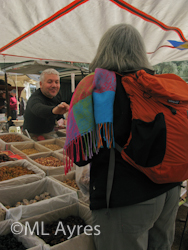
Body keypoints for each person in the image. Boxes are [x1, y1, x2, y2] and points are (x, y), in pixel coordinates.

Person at [64, 24, 181, 250]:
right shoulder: (157, 85)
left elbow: (79, 155)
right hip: (170, 191)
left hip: (126, 198)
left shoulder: (93, 87)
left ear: (103, 50)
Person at [23, 68, 69, 135]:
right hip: (32, 135)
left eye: (57, 82)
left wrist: (61, 119)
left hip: (50, 132)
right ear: (41, 84)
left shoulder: (57, 95)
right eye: (50, 82)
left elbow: (58, 109)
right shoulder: (35, 98)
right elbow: (39, 109)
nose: (54, 85)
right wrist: (53, 110)